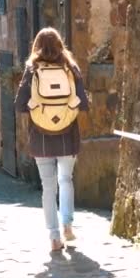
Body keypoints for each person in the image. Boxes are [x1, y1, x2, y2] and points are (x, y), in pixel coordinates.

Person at [14, 27, 90, 251]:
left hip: (41, 135)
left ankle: (54, 238)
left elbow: (19, 104)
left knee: (48, 187)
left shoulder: (32, 69)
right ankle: (67, 224)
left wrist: (38, 106)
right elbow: (83, 103)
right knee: (65, 179)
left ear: (36, 45)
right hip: (67, 133)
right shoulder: (71, 67)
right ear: (60, 44)